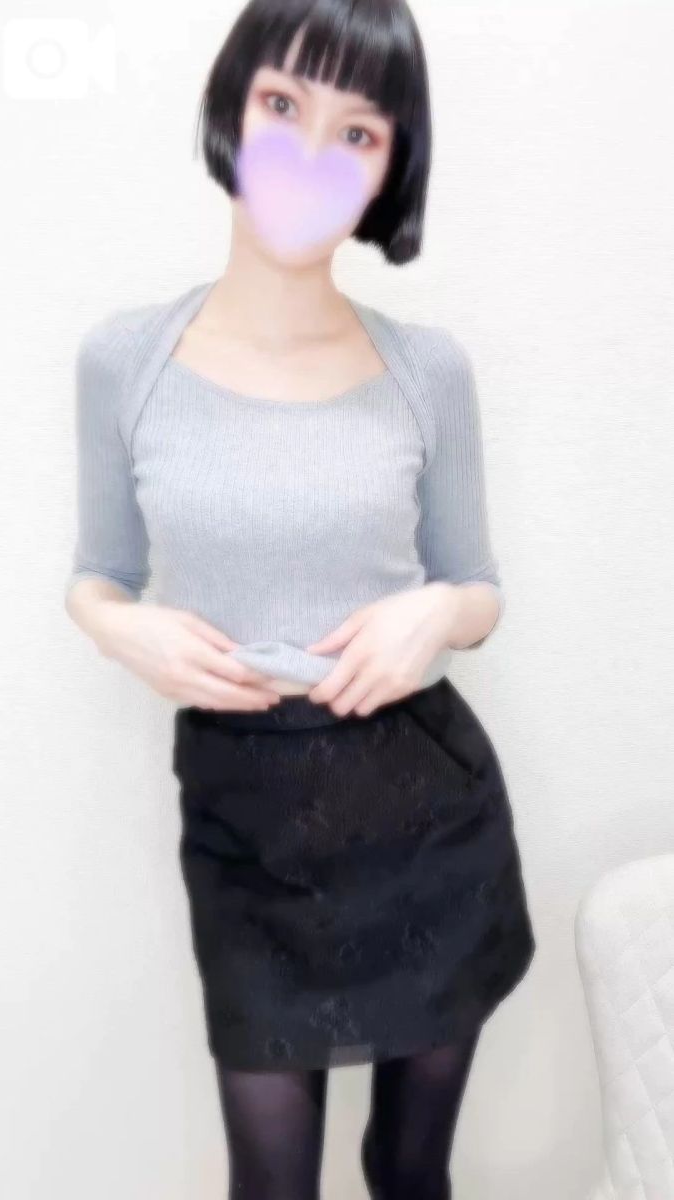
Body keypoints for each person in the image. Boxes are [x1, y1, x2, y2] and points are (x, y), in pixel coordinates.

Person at [65, 2, 536, 1196]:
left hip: (426, 811)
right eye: (284, 104)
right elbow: (98, 575)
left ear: (390, 170)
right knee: (271, 1184)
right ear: (232, 104)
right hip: (246, 819)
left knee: (408, 1172)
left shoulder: (427, 370)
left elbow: (478, 586)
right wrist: (121, 629)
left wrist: (438, 614)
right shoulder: (127, 361)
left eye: (358, 132)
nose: (311, 155)